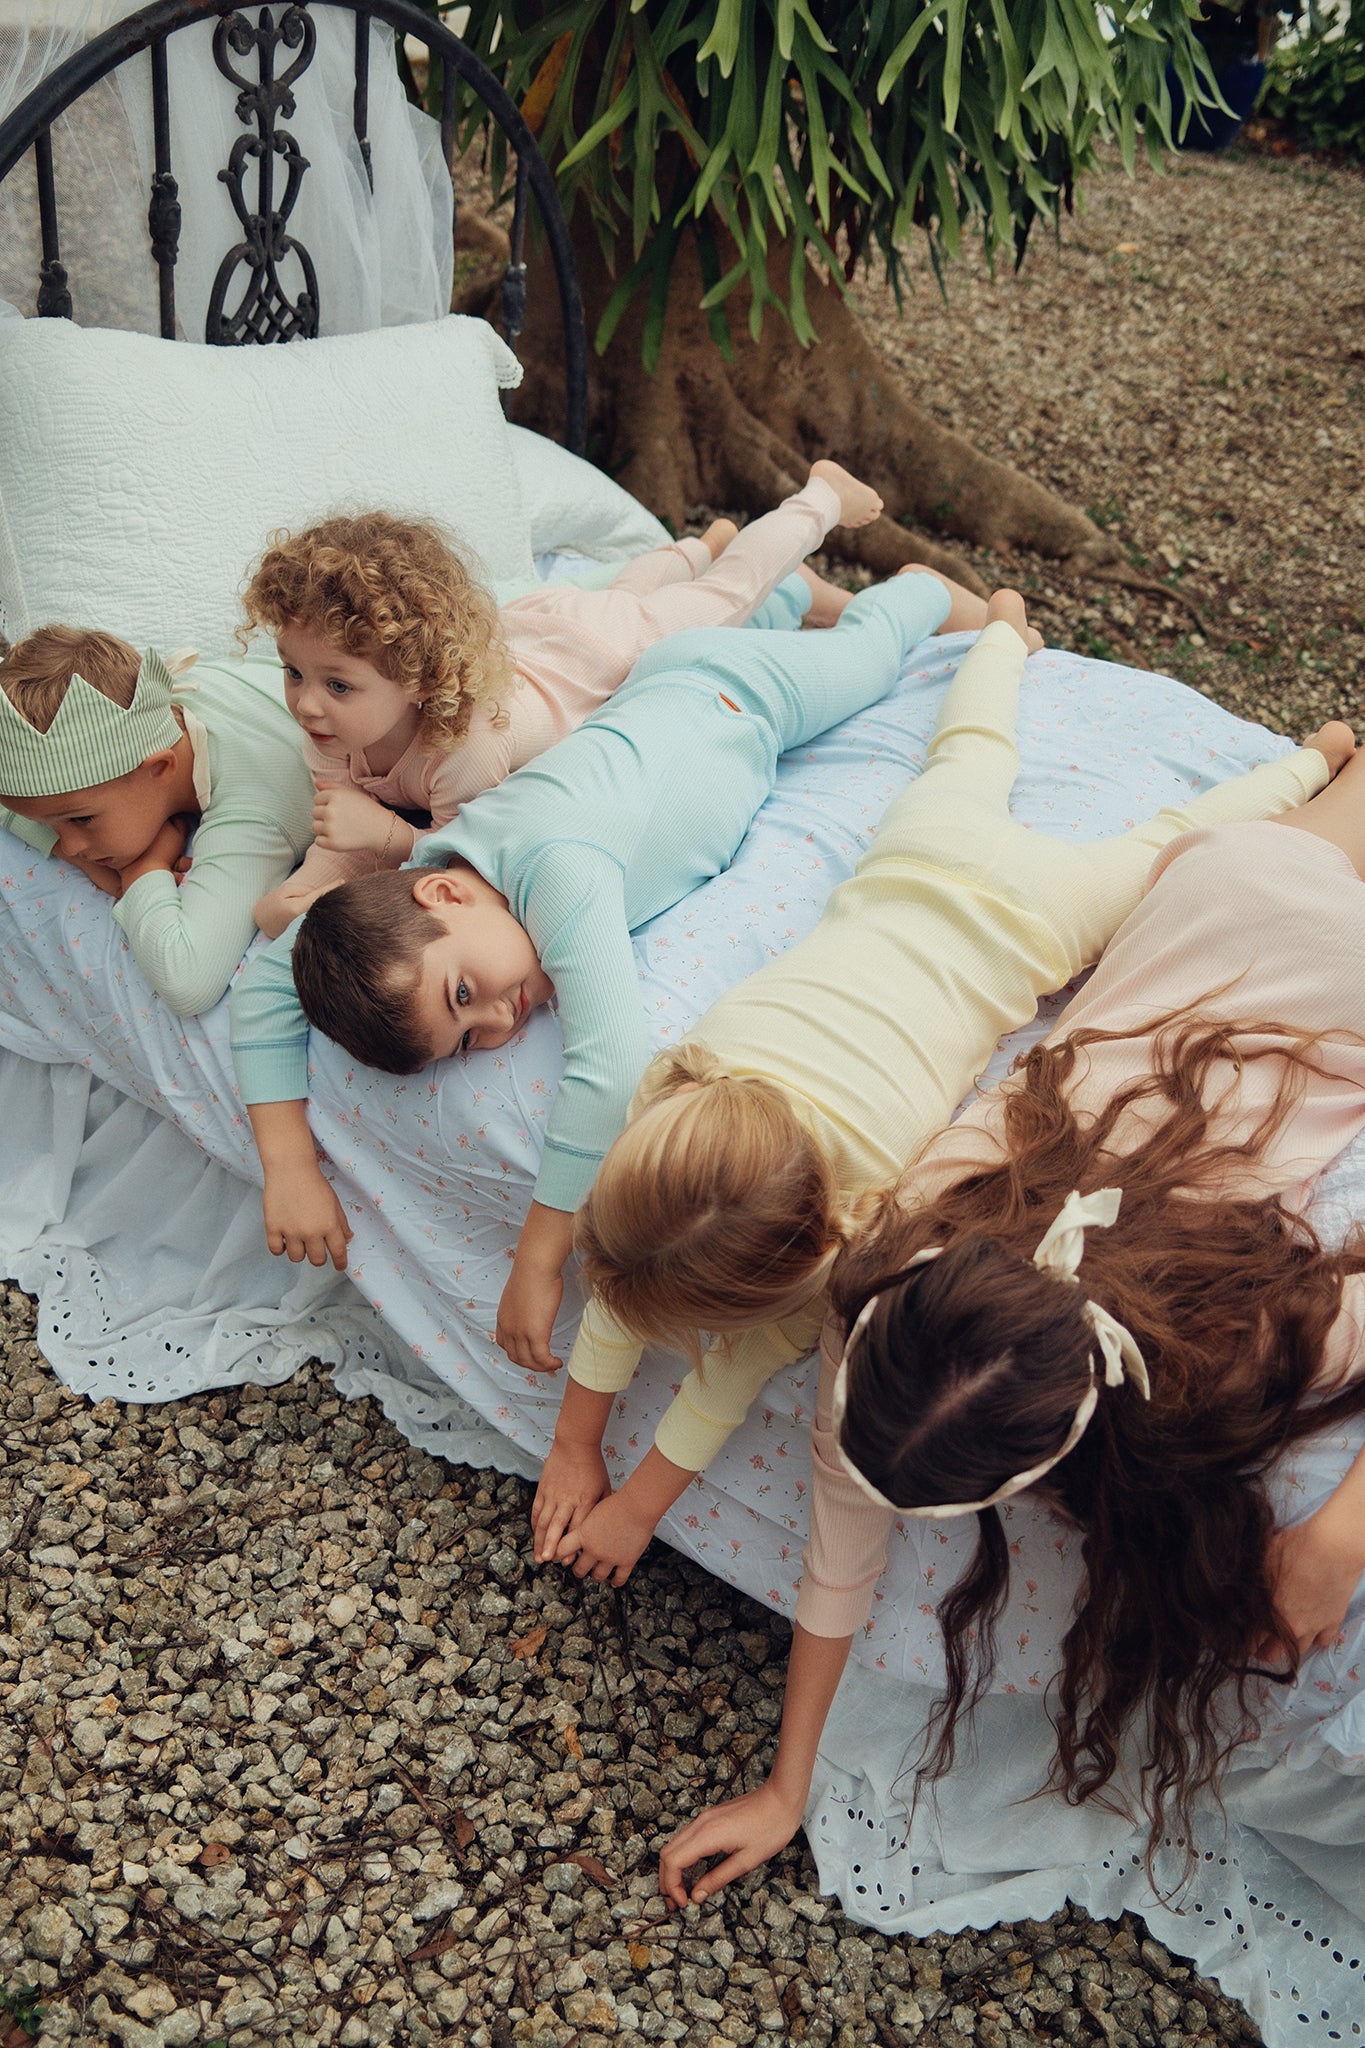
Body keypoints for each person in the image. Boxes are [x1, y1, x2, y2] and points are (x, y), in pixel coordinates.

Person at [658, 756, 1365, 1907]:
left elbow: (845, 1543)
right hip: (1219, 894)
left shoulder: (1221, 1336)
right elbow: (840, 1545)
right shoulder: (906, 1258)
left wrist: (1339, 1534)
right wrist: (788, 1787)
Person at [538, 596, 1352, 1593]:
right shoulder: (687, 1093)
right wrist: (595, 1463)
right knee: (1002, 764)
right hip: (925, 868)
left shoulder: (856, 1204)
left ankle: (1255, 739)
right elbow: (648, 1271)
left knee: (1109, 820)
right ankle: (1043, 645)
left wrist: (614, 1479)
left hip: (1026, 924)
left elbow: (722, 1374)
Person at [227, 516, 978, 1319]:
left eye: (461, 995)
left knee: (866, 658)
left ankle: (921, 592)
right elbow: (268, 981)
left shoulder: (556, 871)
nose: (499, 1017)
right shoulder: (432, 871)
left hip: (742, 694)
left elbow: (610, 1063)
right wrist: (290, 1167)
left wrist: (539, 1259)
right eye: (472, 1037)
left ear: (442, 897)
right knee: (797, 644)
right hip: (671, 690)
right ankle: (789, 596)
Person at [246, 478, 868, 937]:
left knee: (718, 597)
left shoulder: (462, 748)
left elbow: (460, 855)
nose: (305, 703)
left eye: (337, 686)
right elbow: (337, 837)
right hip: (529, 635)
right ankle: (698, 544)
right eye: (293, 672)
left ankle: (818, 499)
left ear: (416, 679)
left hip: (593, 657)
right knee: (626, 589)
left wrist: (387, 835)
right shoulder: (326, 727)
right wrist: (297, 892)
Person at [0, 625, 313, 1016]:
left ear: (160, 768)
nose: (70, 845)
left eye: (81, 819)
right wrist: (75, 857)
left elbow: (188, 983)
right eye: (49, 826)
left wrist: (143, 871)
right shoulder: (157, 699)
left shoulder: (254, 815)